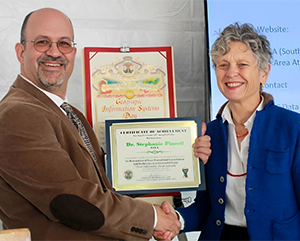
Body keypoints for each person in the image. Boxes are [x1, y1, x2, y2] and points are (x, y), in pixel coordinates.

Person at [0, 7, 212, 241]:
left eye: (64, 43)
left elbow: (111, 180)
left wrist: (182, 151)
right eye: (42, 42)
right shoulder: (18, 114)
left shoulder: (70, 114)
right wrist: (152, 218)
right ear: (21, 52)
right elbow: (71, 202)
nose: (55, 53)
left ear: (73, 52)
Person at [156, 22, 300, 241]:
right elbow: (207, 207)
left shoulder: (293, 127)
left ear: (264, 72)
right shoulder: (207, 134)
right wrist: (176, 219)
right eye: (223, 64)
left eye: (242, 64)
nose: (231, 73)